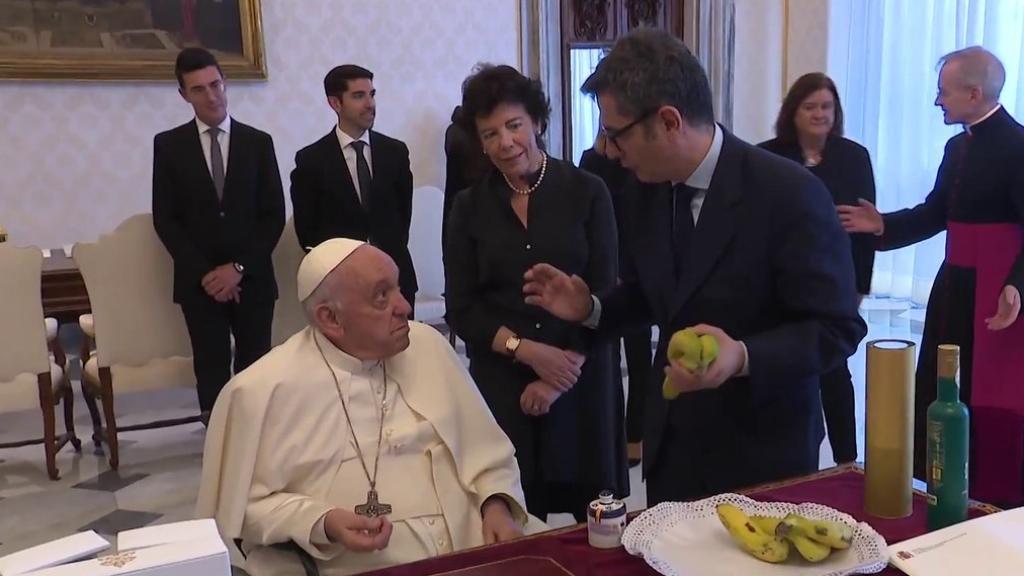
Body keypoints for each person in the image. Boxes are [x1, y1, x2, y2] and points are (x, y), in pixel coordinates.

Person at [523, 29, 867, 505]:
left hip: (763, 456)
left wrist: (741, 356)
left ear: (669, 121)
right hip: (673, 449)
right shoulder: (643, 188)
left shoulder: (788, 193)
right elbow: (657, 294)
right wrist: (591, 308)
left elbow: (837, 329)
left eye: (616, 134)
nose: (610, 150)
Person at [196, 238, 533, 576]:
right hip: (348, 565)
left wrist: (497, 505)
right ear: (330, 318)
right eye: (381, 296)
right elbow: (242, 511)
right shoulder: (263, 390)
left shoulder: (429, 347)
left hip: (473, 547)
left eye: (398, 288)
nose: (405, 306)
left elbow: (488, 454)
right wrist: (322, 522)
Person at [838, 46, 1024, 506]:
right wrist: (882, 225)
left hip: (999, 298)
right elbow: (936, 213)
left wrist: (1016, 285)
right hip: (953, 288)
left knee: (986, 403)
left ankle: (993, 503)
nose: (937, 100)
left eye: (944, 91)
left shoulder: (1018, 146)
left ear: (974, 93)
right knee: (942, 389)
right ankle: (944, 490)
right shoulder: (956, 147)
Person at [444, 65, 627, 521]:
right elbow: (463, 308)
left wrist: (558, 374)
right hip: (506, 384)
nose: (505, 143)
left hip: (581, 378)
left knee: (598, 524)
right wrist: (526, 351)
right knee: (515, 513)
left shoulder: (588, 191)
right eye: (490, 134)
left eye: (514, 126)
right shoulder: (468, 207)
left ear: (538, 122)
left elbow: (607, 293)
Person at [152, 47, 284, 421]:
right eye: (198, 89)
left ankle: (257, 438)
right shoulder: (169, 146)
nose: (211, 96)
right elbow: (166, 219)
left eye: (215, 85)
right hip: (201, 284)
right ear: (184, 95)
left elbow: (273, 215)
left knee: (256, 366)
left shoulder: (258, 142)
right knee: (210, 366)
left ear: (225, 82)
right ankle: (218, 439)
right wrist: (208, 276)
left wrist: (238, 268)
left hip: (252, 278)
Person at [759, 72, 876, 465]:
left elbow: (865, 228)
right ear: (793, 112)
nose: (820, 114)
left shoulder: (854, 156)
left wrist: (860, 286)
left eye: (827, 106)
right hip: (780, 282)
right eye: (810, 106)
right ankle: (793, 459)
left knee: (835, 371)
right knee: (788, 371)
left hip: (835, 280)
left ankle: (847, 462)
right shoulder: (767, 156)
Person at [290, 64, 418, 315]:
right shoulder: (311, 160)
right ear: (335, 103)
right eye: (359, 96)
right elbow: (308, 232)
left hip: (396, 277)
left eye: (372, 94)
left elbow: (403, 216)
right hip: (343, 286)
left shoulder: (395, 152)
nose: (370, 104)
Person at [579, 136, 654, 467]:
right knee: (604, 360)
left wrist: (630, 269)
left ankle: (635, 435)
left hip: (634, 268)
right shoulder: (591, 161)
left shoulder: (643, 164)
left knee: (640, 359)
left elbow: (640, 223)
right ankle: (609, 435)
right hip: (603, 270)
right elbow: (590, 221)